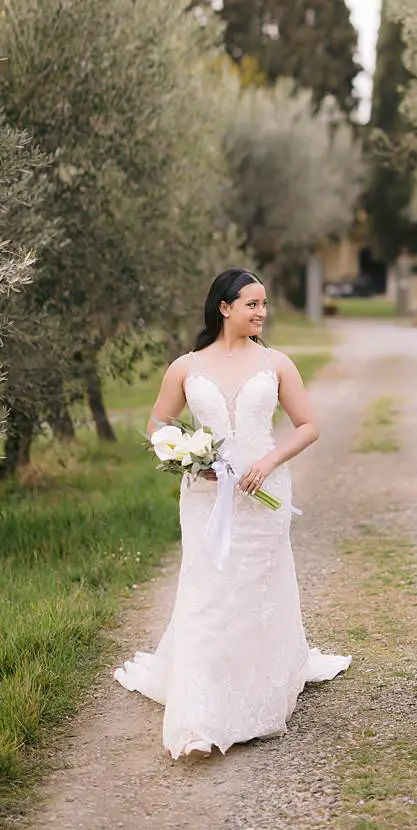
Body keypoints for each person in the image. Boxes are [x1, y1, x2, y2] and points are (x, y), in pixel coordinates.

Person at [115, 268, 351, 762]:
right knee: (206, 590)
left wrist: (268, 462)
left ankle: (256, 690)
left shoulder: (277, 363)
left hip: (265, 490)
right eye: (252, 304)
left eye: (264, 304)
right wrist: (185, 456)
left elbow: (308, 426)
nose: (262, 312)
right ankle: (199, 716)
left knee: (254, 587)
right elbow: (157, 422)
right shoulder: (185, 366)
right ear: (225, 308)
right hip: (204, 497)